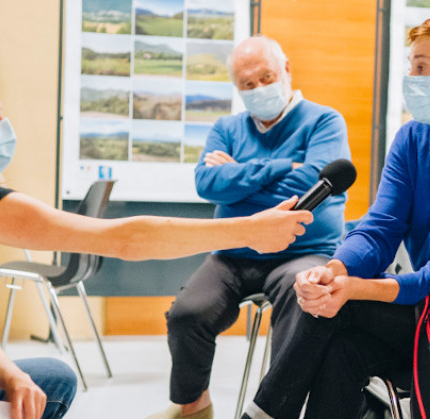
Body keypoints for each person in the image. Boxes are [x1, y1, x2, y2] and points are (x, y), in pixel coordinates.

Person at [0, 58, 314, 419]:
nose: (2, 126)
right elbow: (127, 239)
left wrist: (11, 376)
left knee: (46, 379)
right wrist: (249, 229)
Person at [241, 13, 430, 419]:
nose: (411, 78)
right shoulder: (413, 138)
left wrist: (351, 289)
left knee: (340, 307)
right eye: (411, 67)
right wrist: (335, 270)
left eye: (423, 68)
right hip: (423, 313)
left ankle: (259, 415)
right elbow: (380, 228)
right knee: (338, 346)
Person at [149, 35, 350, 419]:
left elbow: (312, 186)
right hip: (234, 251)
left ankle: (275, 410)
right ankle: (193, 405)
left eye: (266, 77)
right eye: (247, 84)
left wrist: (235, 178)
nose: (258, 89)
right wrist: (281, 167)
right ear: (237, 88)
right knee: (187, 314)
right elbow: (206, 184)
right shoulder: (227, 127)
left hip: (301, 250)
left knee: (303, 302)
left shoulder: (324, 121)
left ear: (287, 70)